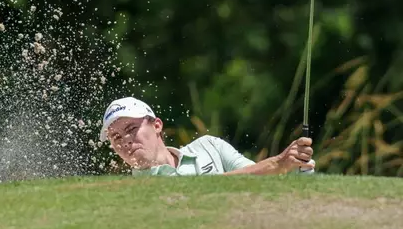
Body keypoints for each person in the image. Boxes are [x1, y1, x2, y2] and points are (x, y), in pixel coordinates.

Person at [99, 96, 315, 176]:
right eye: (116, 138)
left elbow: (257, 177)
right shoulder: (136, 190)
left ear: (157, 126)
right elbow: (203, 191)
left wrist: (296, 166)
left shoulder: (208, 146)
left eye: (130, 129)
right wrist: (277, 163)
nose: (125, 141)